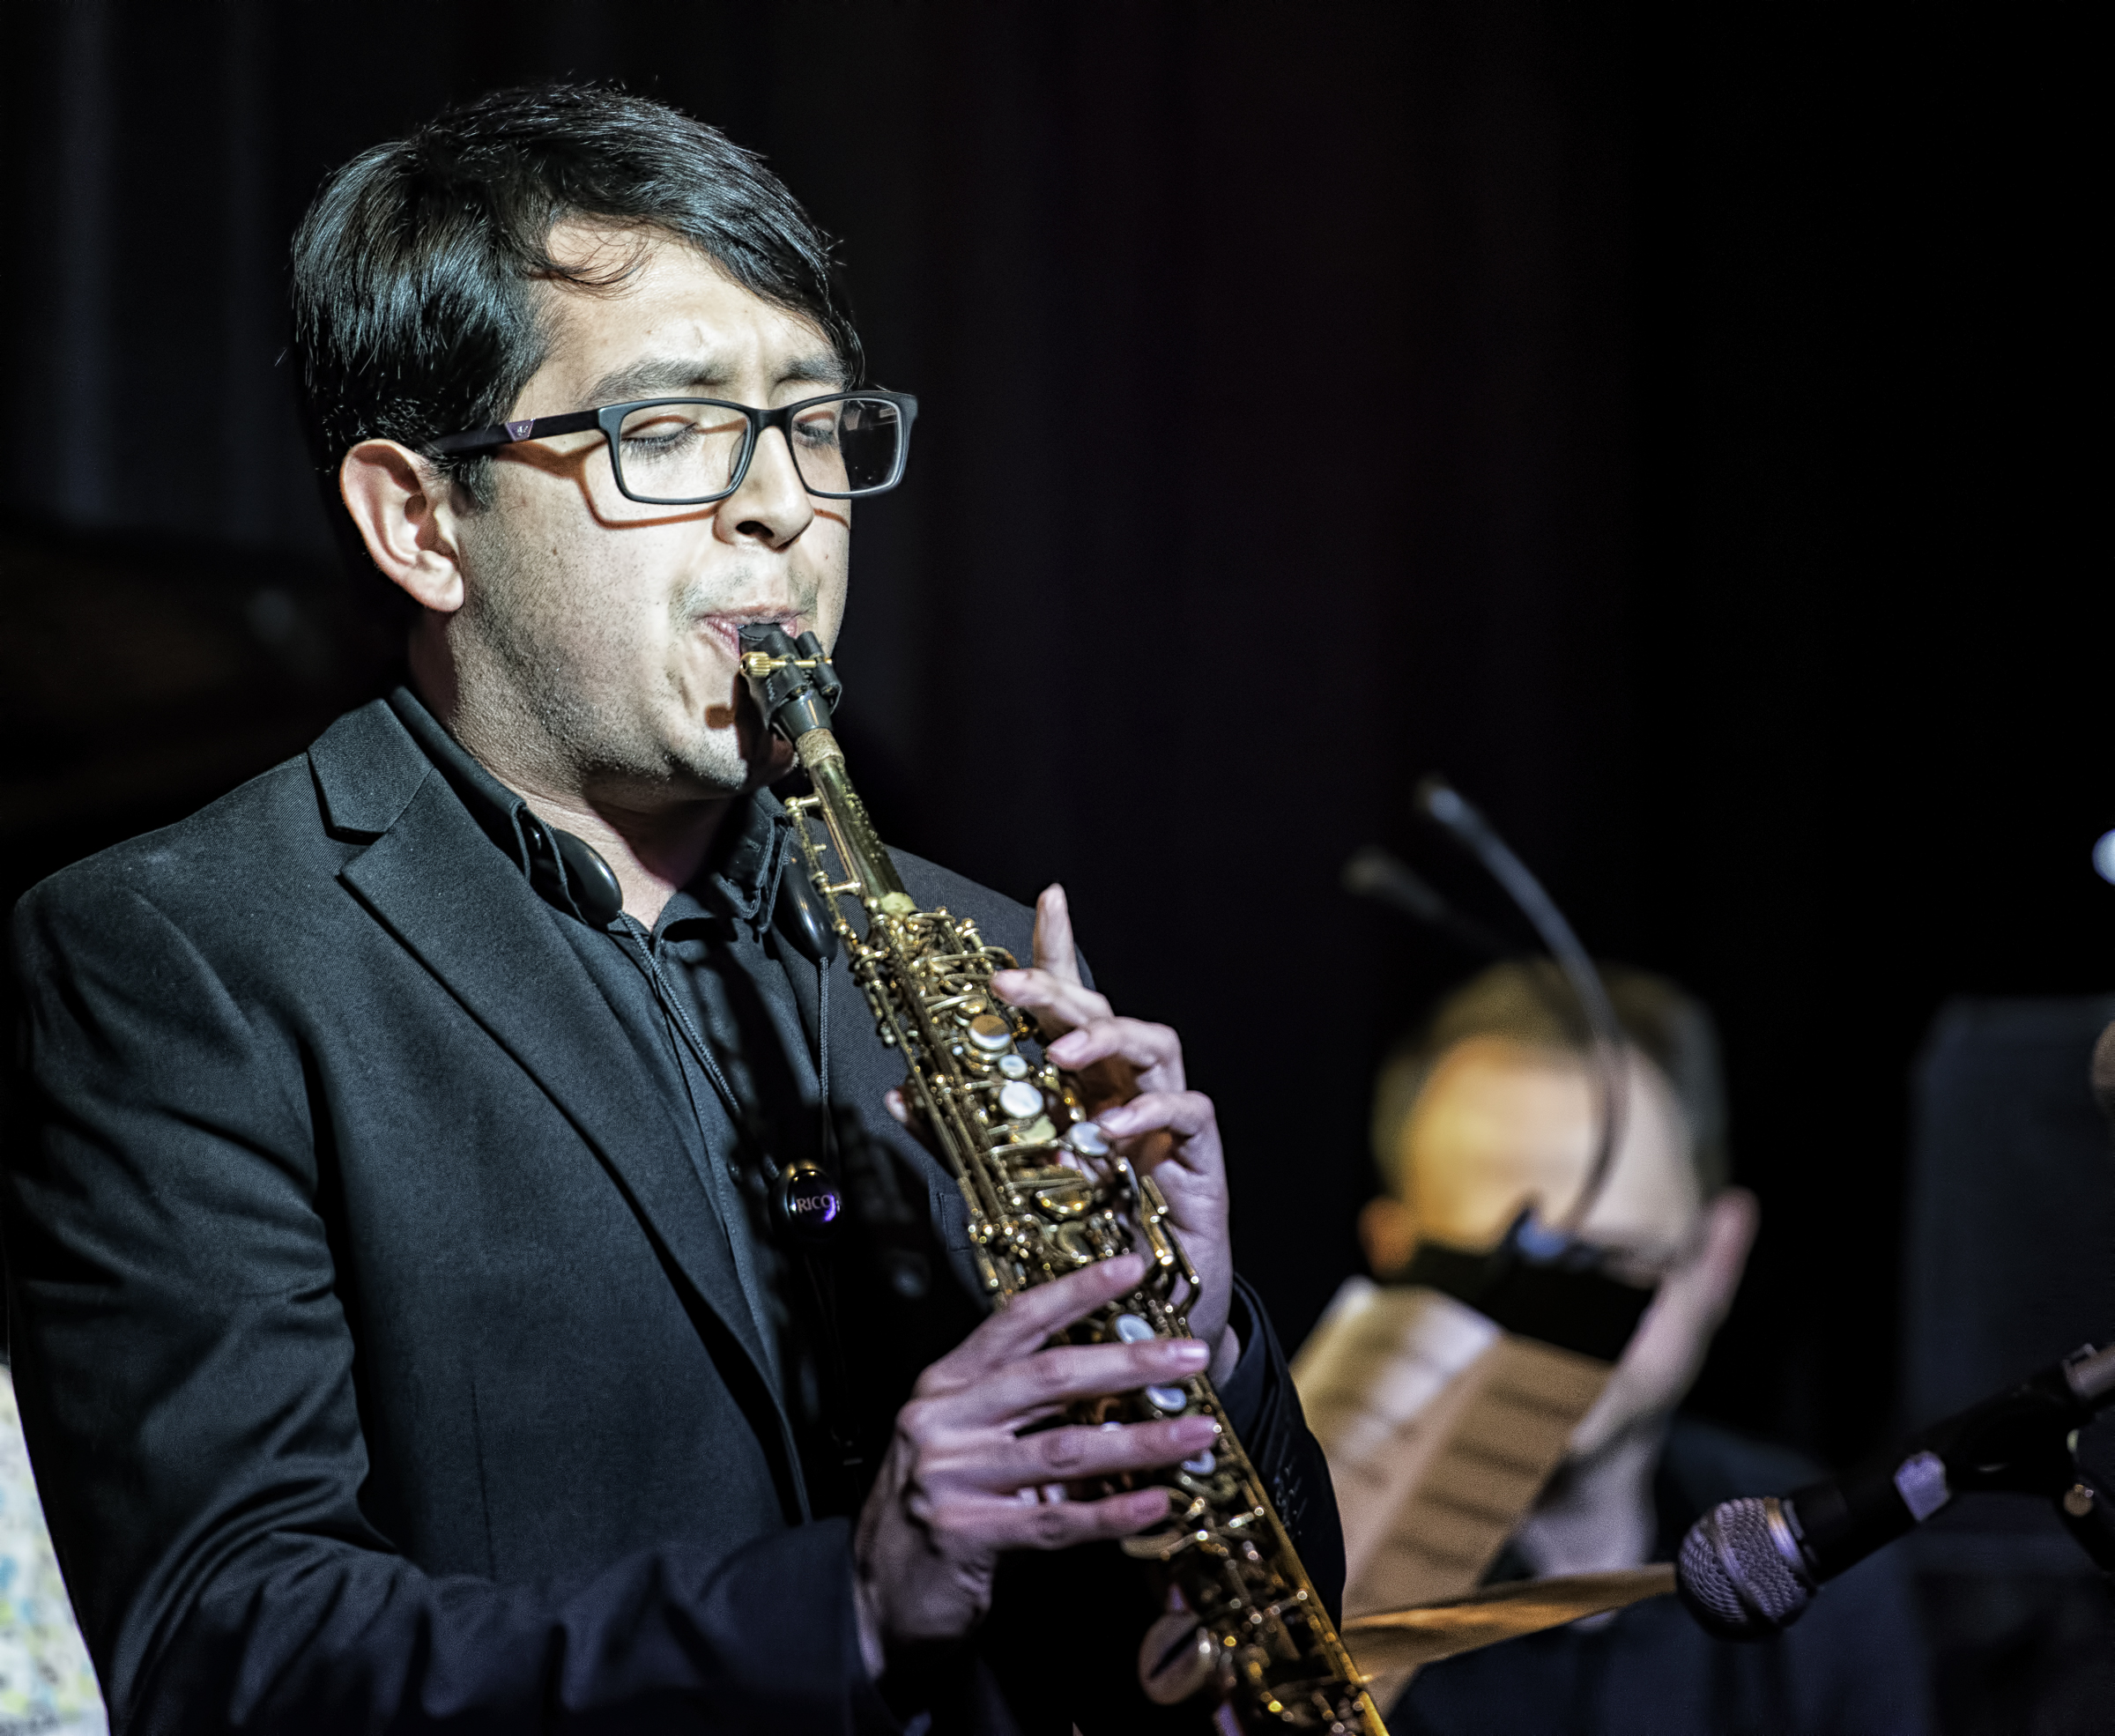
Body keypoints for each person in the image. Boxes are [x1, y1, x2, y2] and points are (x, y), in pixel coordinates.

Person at [1, 85, 1338, 1735]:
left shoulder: (978, 950)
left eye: (816, 422)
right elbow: (236, 1654)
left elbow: (1246, 1638)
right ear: (420, 522)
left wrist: (1187, 1356)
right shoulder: (184, 958)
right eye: (669, 430)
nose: (782, 503)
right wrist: (842, 1601)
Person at [1354, 961, 1933, 1736]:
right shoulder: (1302, 1577)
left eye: (1616, 1265)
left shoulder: (1833, 1577)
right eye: (1498, 1270)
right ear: (1394, 1258)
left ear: (1719, 1257)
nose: (1556, 1324)